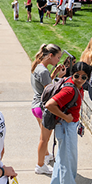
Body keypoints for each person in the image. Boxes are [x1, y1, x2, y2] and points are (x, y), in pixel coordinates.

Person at [46, 62, 91, 184]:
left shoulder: (71, 83)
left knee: (61, 158)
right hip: (66, 127)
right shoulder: (70, 90)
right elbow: (50, 105)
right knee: (68, 163)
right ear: (73, 73)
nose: (79, 79)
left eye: (83, 77)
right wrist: (66, 117)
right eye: (76, 75)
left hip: (66, 127)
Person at [31, 44, 66, 175]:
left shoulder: (38, 66)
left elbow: (45, 85)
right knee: (44, 139)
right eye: (57, 57)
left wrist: (55, 73)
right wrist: (61, 78)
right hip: (42, 108)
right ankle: (40, 166)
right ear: (50, 56)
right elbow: (51, 92)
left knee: (43, 137)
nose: (58, 60)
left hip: (35, 106)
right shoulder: (44, 71)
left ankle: (46, 155)